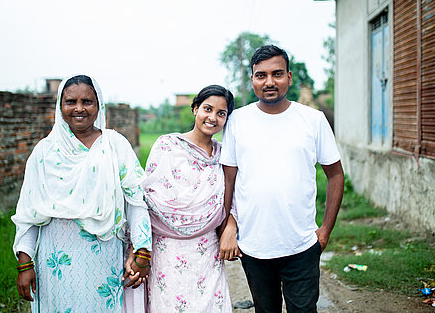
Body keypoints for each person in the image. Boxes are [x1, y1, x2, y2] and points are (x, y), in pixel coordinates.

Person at [219, 45, 345, 313]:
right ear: (252, 80)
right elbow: (228, 181)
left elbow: (335, 175)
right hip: (253, 246)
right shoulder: (237, 121)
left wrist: (325, 231)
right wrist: (229, 224)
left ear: (289, 77)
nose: (269, 82)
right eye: (261, 75)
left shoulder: (313, 120)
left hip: (302, 245)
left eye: (277, 74)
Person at [11, 74, 152, 312]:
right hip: (54, 261)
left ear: (99, 105)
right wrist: (25, 264)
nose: (79, 109)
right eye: (70, 102)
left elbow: (136, 201)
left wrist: (143, 252)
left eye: (87, 102)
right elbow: (28, 211)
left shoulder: (115, 145)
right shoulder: (45, 152)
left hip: (104, 259)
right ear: (60, 105)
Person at [143, 85, 235, 312]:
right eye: (207, 109)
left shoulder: (224, 156)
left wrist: (231, 224)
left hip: (207, 250)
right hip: (168, 249)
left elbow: (233, 196)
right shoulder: (167, 146)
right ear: (195, 109)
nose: (212, 117)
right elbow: (150, 198)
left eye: (221, 113)